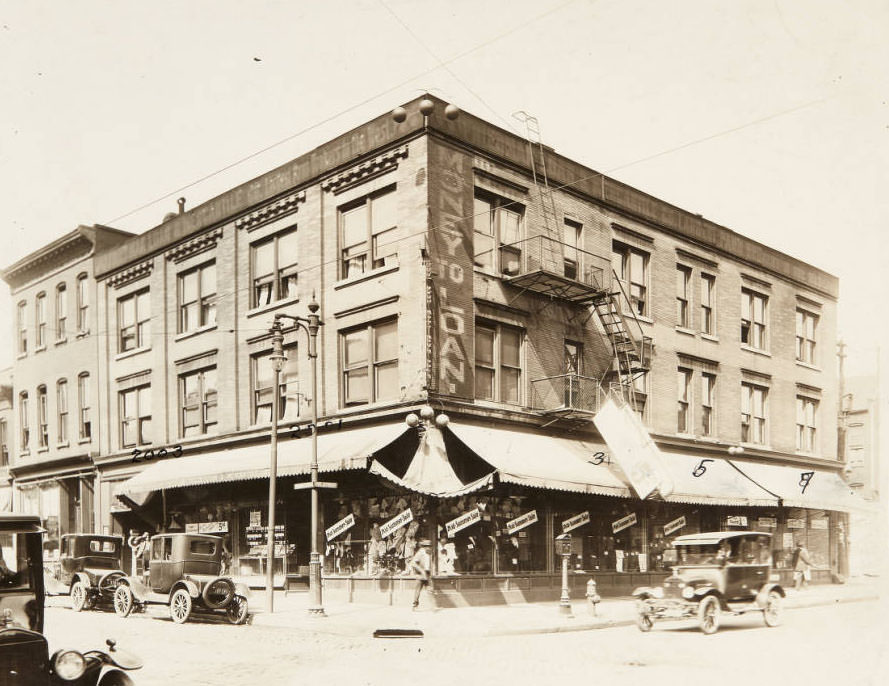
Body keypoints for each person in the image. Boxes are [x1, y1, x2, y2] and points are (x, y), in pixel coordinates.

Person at [409, 538, 433, 611]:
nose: (428, 547)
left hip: (427, 573)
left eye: (429, 546)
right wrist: (421, 570)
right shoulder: (420, 553)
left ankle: (432, 606)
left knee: (430, 589)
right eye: (426, 546)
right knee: (418, 590)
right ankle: (415, 605)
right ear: (423, 546)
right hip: (420, 574)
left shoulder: (429, 553)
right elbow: (413, 563)